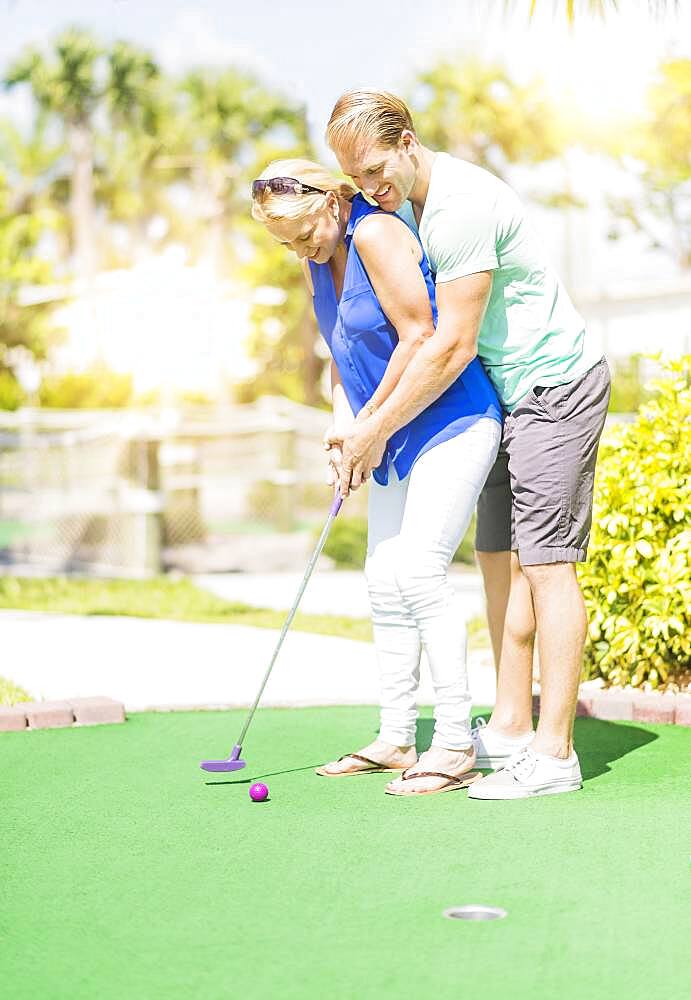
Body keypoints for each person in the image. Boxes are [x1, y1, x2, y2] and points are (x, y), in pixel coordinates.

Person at [325, 90, 611, 800]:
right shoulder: (404, 210)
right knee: (496, 563)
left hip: (553, 386)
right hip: (506, 394)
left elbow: (448, 345)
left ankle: (554, 755)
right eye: (356, 178)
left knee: (546, 568)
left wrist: (374, 428)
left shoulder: (457, 208)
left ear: (407, 141)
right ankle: (511, 726)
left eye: (374, 168)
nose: (370, 187)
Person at [251, 159, 502, 795]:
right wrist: (345, 430)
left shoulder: (374, 233)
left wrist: (372, 425)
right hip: (387, 435)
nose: (301, 249)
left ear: (330, 201)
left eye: (304, 232)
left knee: (418, 571)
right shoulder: (319, 261)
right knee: (382, 579)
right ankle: (396, 737)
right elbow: (342, 358)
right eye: (286, 243)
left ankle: (452, 744)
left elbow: (422, 335)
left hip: (452, 420)